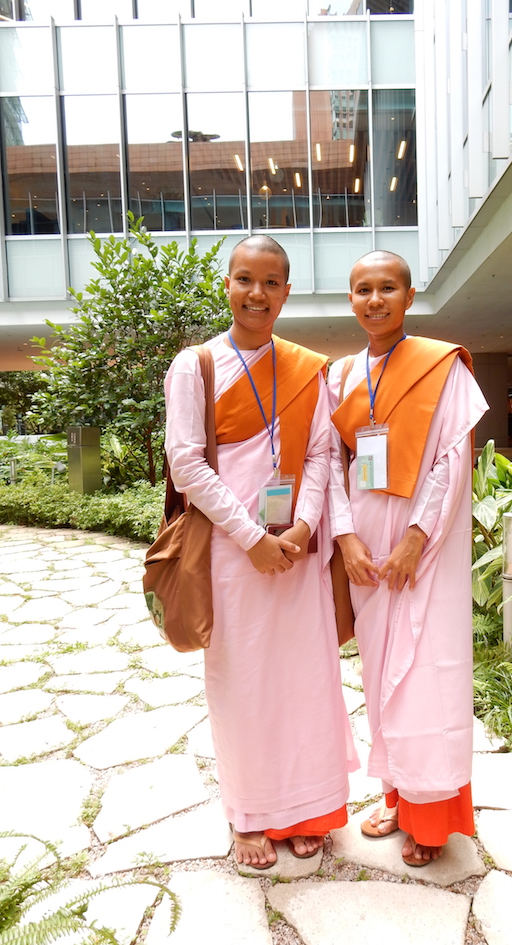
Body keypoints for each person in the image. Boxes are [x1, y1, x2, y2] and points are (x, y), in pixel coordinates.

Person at [164, 235, 356, 869]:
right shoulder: (196, 366)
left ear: (287, 292)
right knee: (241, 683)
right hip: (231, 554)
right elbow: (186, 464)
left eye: (271, 282)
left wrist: (301, 529)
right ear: (228, 284)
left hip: (296, 553)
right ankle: (247, 815)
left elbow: (326, 452)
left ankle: (305, 809)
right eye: (245, 279)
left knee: (303, 681)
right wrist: (251, 538)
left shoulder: (308, 368)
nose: (257, 293)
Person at [328, 250, 489, 867]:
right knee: (380, 677)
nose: (375, 299)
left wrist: (415, 542)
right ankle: (398, 795)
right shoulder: (341, 376)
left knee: (427, 674)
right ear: (351, 299)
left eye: (387, 288)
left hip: (425, 547)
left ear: (409, 295)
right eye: (363, 288)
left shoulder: (442, 366)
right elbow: (331, 465)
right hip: (367, 551)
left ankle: (433, 817)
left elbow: (452, 461)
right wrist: (346, 541)